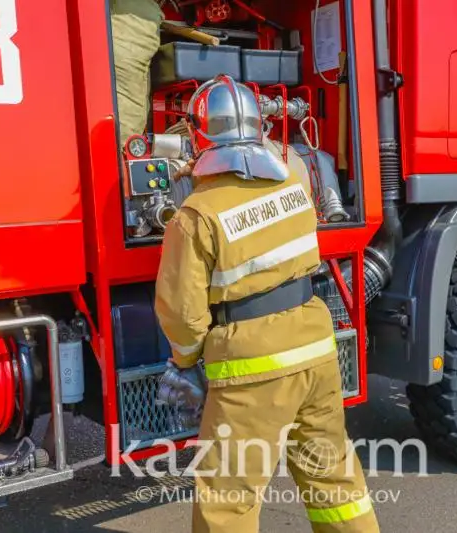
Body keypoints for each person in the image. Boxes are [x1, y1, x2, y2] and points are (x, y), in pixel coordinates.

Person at [154, 74, 380, 533]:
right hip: (315, 350)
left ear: (199, 136)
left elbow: (181, 314)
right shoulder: (293, 188)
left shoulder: (195, 216)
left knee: (228, 500)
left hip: (251, 367)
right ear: (260, 128)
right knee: (335, 481)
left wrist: (188, 360)